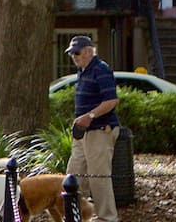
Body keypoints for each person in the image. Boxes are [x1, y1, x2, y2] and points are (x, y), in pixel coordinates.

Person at [65, 35, 120, 222]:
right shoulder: (83, 71)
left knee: (99, 176)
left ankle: (107, 218)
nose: (74, 57)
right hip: (83, 132)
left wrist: (90, 116)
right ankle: (77, 214)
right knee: (74, 173)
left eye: (77, 53)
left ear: (89, 51)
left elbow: (112, 100)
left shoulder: (101, 69)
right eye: (72, 54)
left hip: (100, 130)